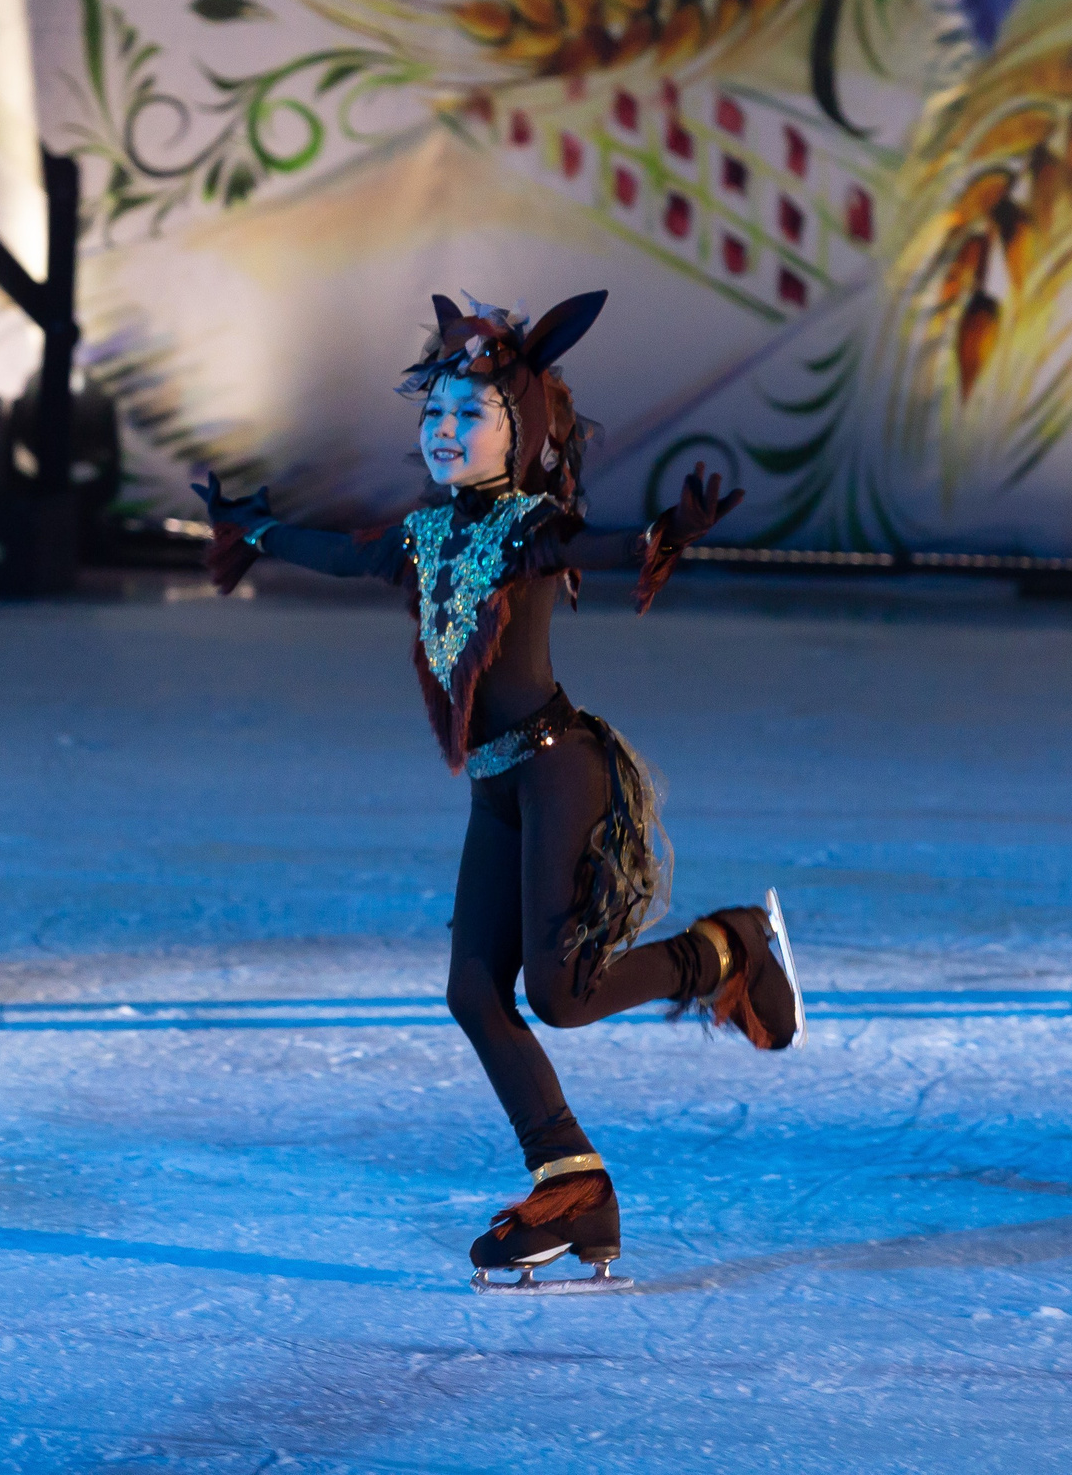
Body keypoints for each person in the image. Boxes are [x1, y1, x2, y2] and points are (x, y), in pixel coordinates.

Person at [194, 291, 802, 1286]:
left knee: (557, 998)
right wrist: (250, 527)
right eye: (432, 414)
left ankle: (729, 944)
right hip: (497, 784)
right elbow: (346, 554)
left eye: (467, 414)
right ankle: (572, 1181)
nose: (442, 431)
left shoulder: (526, 526)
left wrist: (666, 532)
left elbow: (592, 546)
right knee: (473, 989)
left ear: (521, 429)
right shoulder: (424, 530)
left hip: (560, 768)